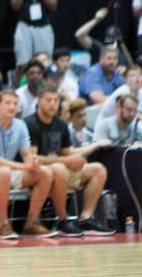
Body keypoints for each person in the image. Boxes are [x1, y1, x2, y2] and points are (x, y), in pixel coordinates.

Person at [23, 87, 114, 236]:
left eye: (55, 100)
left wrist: (79, 158)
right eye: (48, 100)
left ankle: (85, 218)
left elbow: (67, 152)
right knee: (59, 168)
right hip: (38, 173)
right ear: (39, 101)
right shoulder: (30, 123)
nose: (53, 104)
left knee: (98, 169)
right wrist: (66, 160)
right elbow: (34, 158)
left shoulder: (61, 125)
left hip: (60, 171)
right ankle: (63, 220)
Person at [0, 90, 56, 239]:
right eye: (8, 103)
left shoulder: (20, 125)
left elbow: (26, 153)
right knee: (3, 172)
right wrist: (23, 167)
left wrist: (32, 160)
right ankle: (3, 225)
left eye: (15, 103)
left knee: (45, 172)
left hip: (7, 172)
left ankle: (32, 223)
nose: (12, 107)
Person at [10, 0, 57, 66]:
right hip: (24, 27)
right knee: (23, 61)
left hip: (43, 27)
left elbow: (53, 6)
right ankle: (22, 82)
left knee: (44, 60)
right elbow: (15, 6)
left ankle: (43, 83)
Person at [93, 66, 142, 134]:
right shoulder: (123, 91)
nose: (137, 78)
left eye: (139, 75)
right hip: (107, 128)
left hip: (128, 127)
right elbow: (127, 115)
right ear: (125, 80)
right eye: (132, 75)